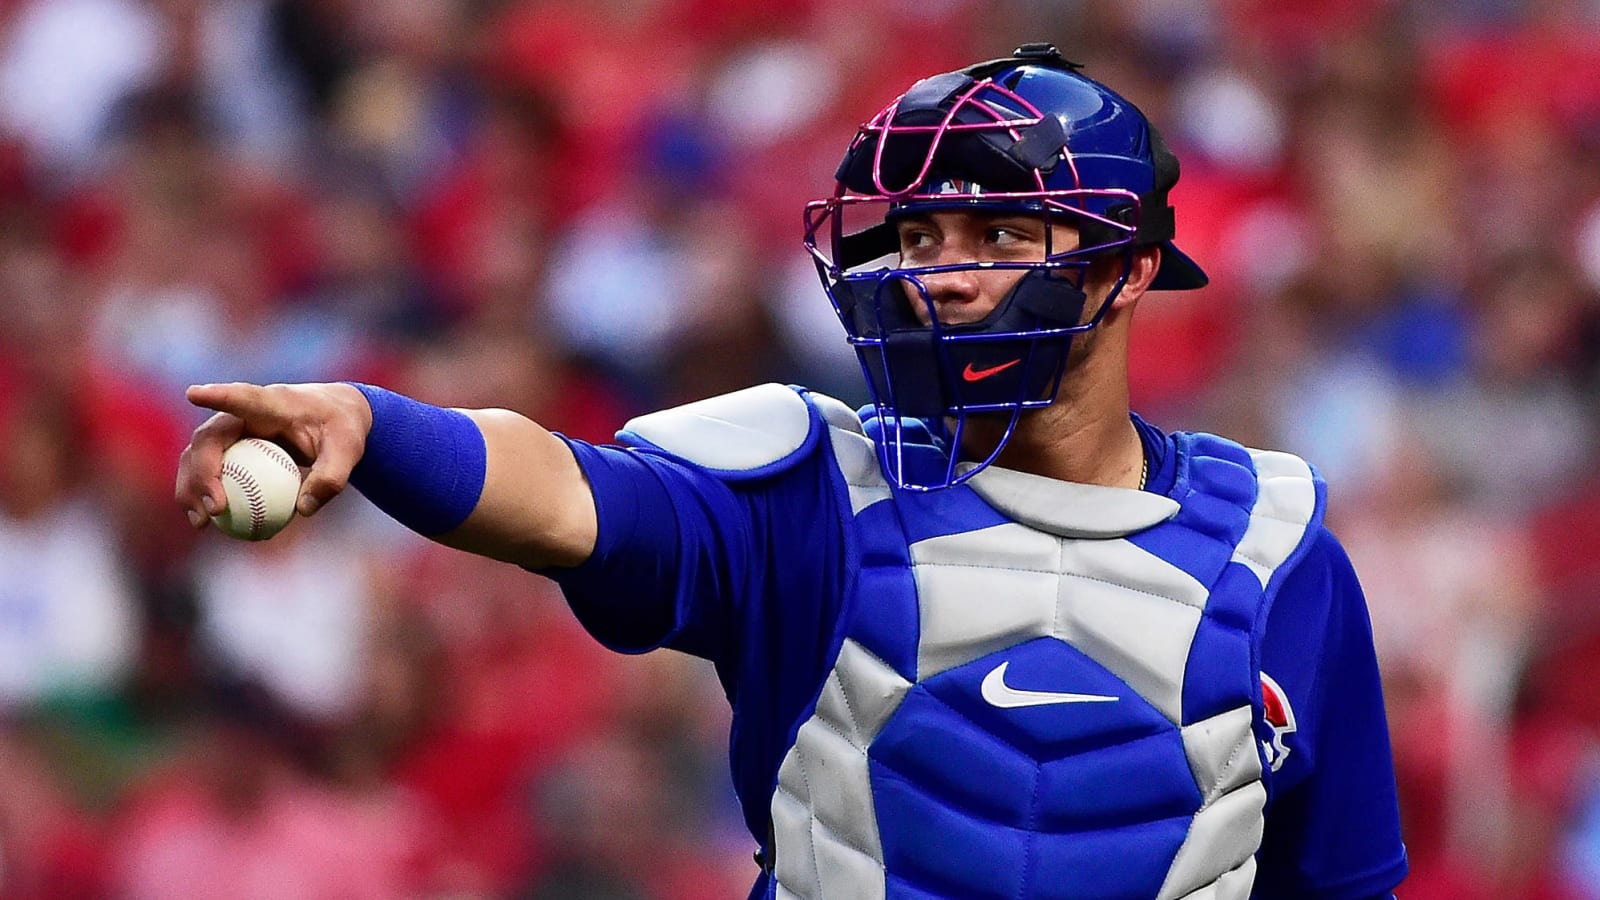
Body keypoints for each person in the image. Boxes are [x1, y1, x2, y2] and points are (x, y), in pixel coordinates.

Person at [175, 44, 1407, 899]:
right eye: (918, 236)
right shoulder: (815, 493)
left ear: (1125, 269)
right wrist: (371, 421)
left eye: (997, 234)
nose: (944, 272)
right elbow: (564, 492)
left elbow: (1335, 884)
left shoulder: (1277, 559)